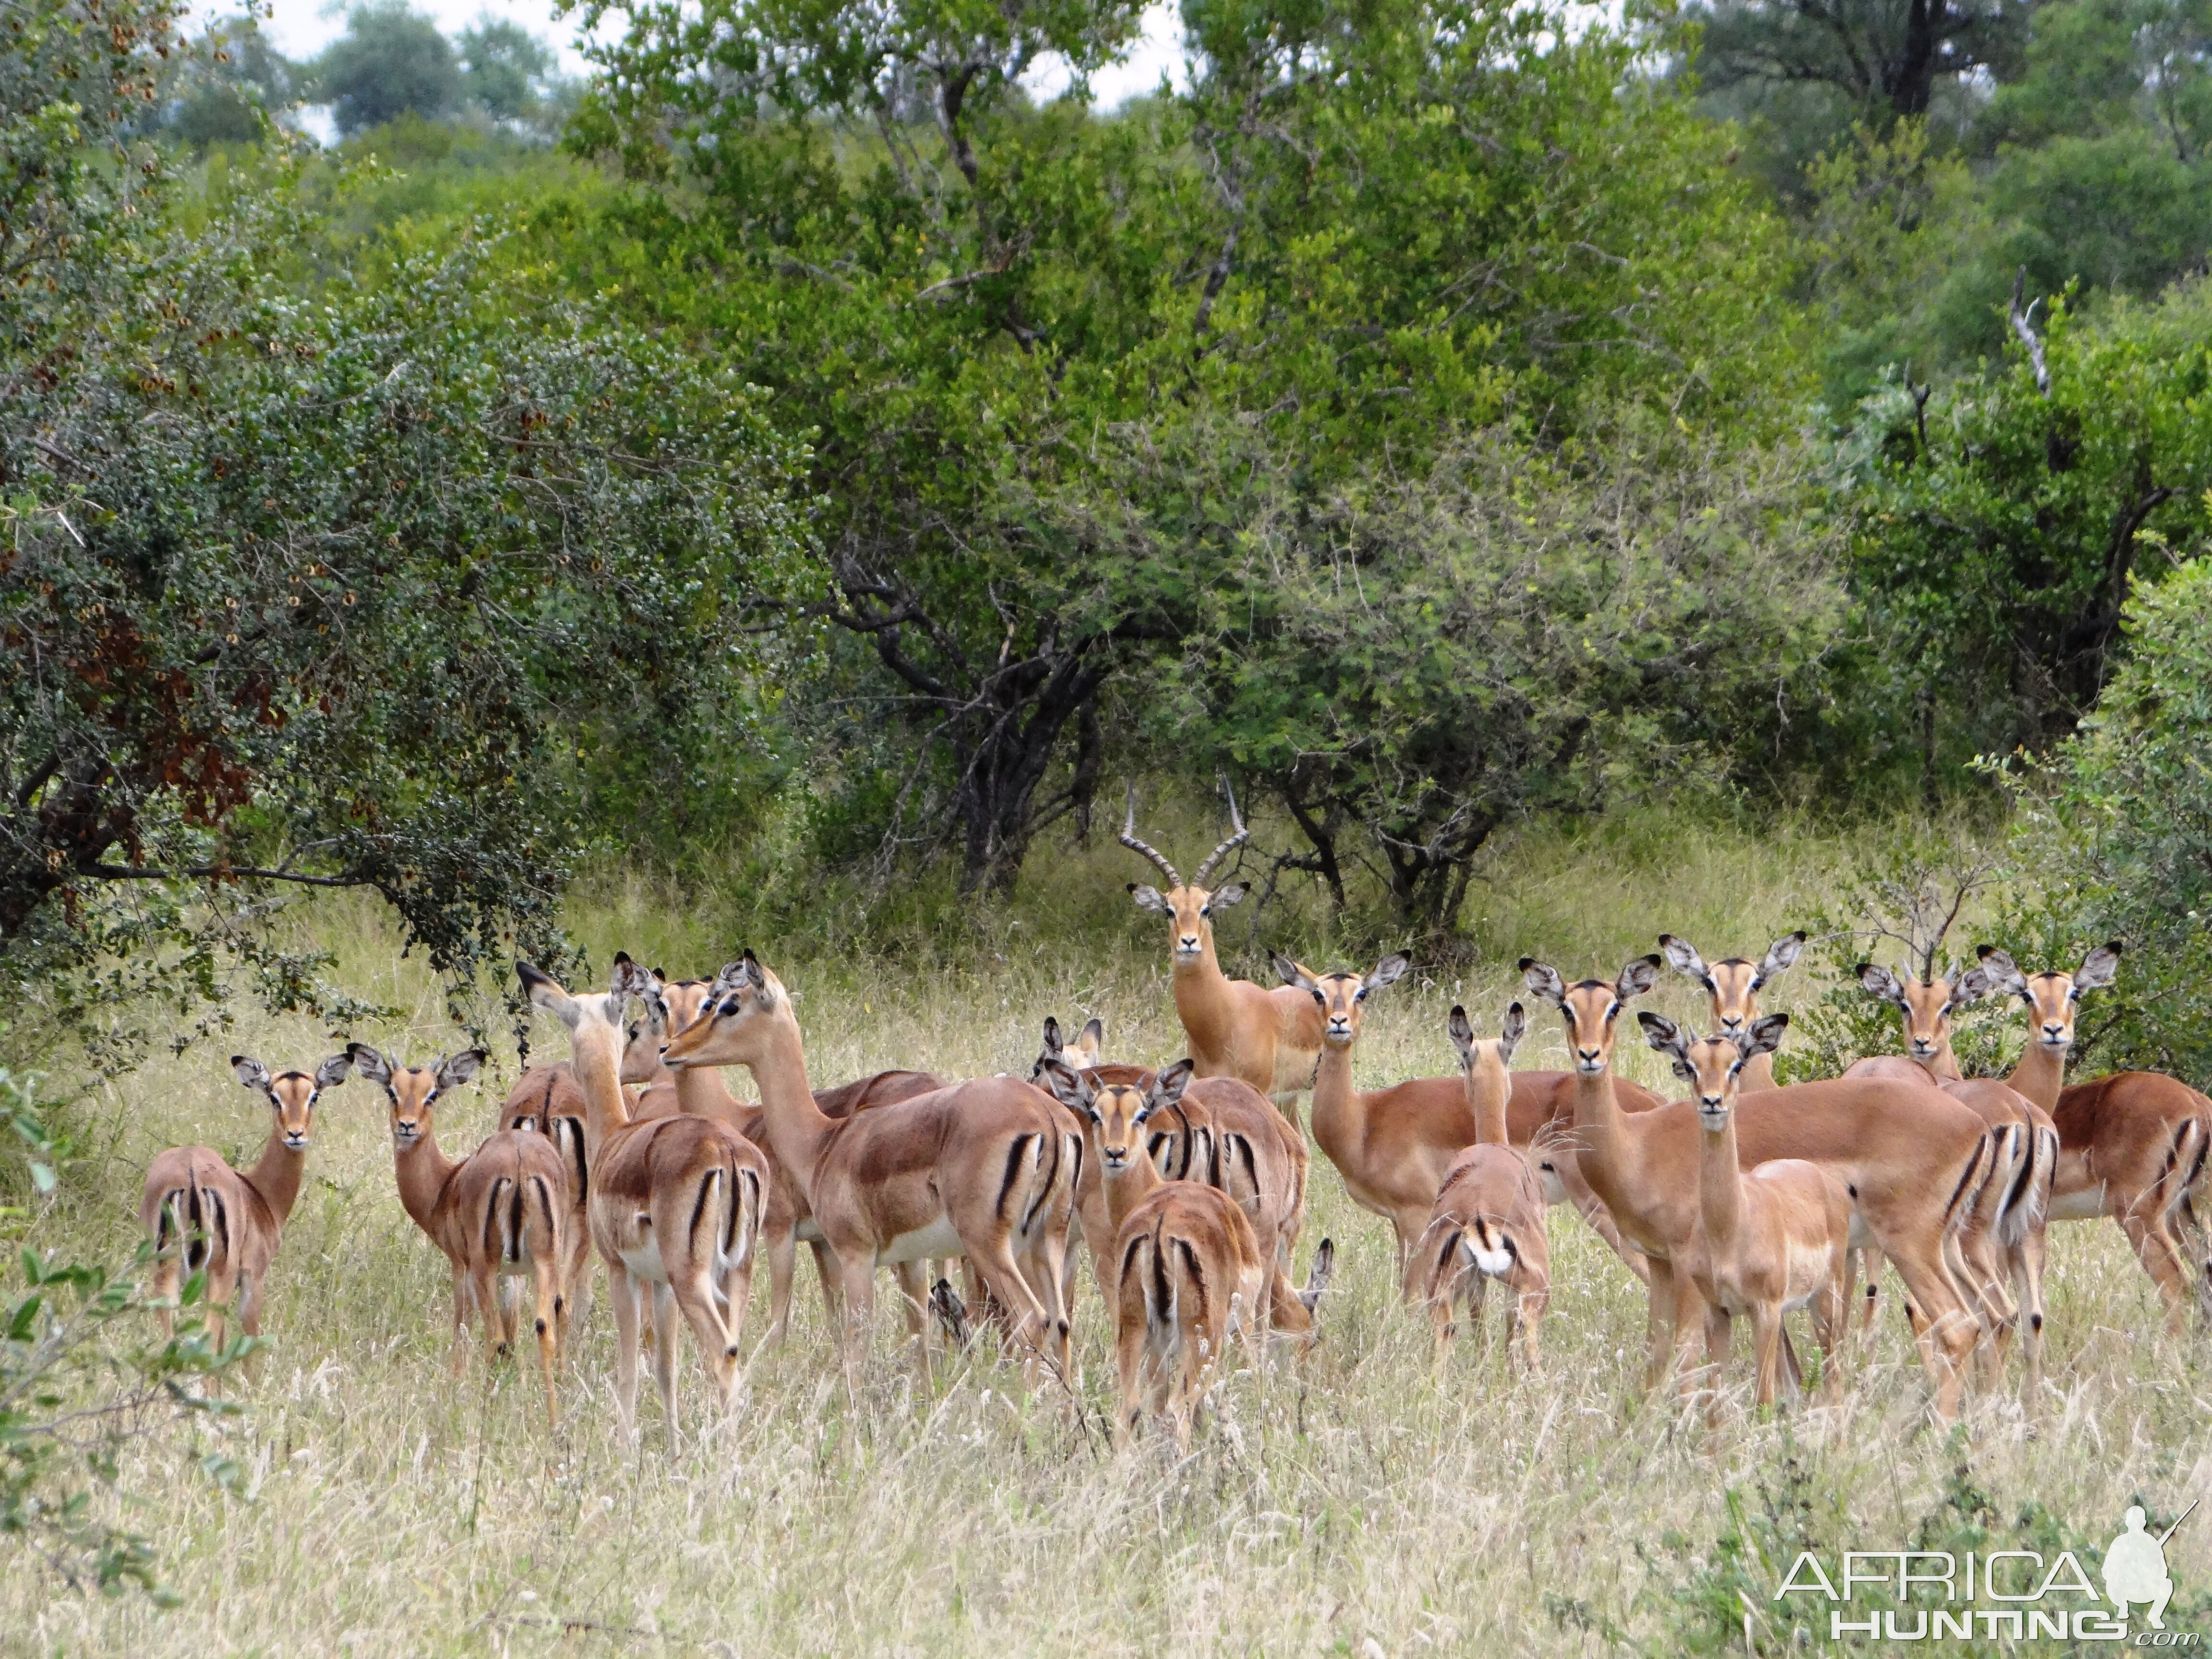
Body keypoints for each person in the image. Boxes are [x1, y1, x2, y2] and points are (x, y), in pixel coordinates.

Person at [2104, 1506, 2175, 1630]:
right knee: (2113, 1582)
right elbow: (2107, 1570)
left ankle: (2155, 1616)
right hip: (2123, 1590)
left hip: (2145, 1590)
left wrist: (2148, 1574)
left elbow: (2163, 1571)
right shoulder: (2119, 1543)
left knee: (2167, 1584)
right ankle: (2122, 1607)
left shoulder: (2152, 1543)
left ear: (2143, 1523)